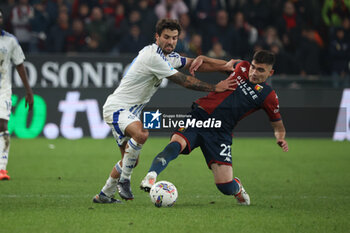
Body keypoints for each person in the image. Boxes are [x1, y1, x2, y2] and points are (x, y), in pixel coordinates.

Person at [92, 18, 235, 203]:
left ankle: (104, 194)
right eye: (166, 37)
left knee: (130, 160)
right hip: (117, 108)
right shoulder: (152, 56)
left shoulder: (170, 57)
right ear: (157, 37)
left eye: (175, 38)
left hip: (129, 111)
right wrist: (215, 87)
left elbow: (195, 64)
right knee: (142, 134)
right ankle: (124, 181)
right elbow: (184, 80)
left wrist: (225, 67)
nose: (171, 41)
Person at [140, 50, 289, 206]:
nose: (253, 72)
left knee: (225, 186)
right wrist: (203, 58)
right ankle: (151, 175)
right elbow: (223, 64)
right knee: (176, 144)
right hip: (200, 116)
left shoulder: (268, 95)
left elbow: (277, 124)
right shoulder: (242, 67)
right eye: (253, 67)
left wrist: (280, 138)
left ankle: (237, 188)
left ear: (270, 72)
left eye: (260, 70)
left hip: (220, 132)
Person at [0, 9, 34, 180]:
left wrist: (29, 91)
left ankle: (2, 168)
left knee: (3, 124)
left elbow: (20, 65)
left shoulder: (10, 41)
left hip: (2, 89)